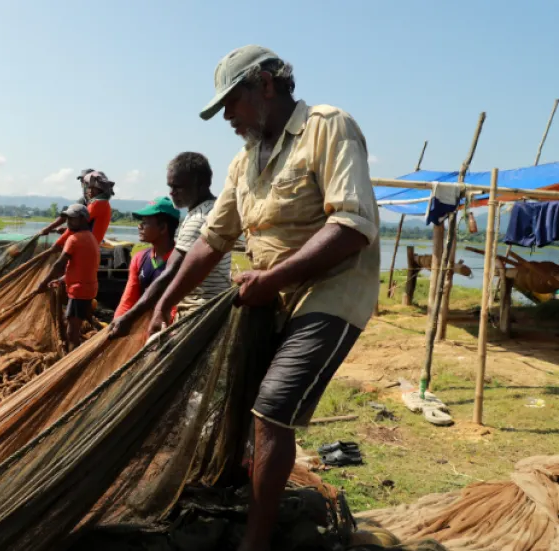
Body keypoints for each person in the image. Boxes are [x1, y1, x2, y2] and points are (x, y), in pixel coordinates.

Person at [150, 46, 380, 551]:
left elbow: (351, 225)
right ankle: (243, 497)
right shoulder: (242, 162)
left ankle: (255, 543)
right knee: (242, 398)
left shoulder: (328, 127)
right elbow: (212, 240)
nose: (227, 117)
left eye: (231, 103)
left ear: (266, 85)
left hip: (333, 288)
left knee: (273, 406)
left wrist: (273, 279)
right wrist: (166, 300)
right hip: (271, 296)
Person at [108, 152, 231, 338]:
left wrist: (132, 316)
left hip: (198, 311)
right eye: (170, 187)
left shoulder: (199, 219)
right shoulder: (210, 210)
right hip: (207, 309)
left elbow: (171, 272)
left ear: (200, 183)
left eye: (178, 187)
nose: (172, 192)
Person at [37, 204, 100, 352]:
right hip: (87, 288)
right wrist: (61, 280)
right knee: (74, 325)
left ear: (84, 219)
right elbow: (82, 268)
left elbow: (59, 264)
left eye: (73, 218)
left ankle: (72, 363)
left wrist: (43, 283)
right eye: (68, 219)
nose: (68, 222)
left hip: (79, 291)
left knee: (72, 333)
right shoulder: (91, 238)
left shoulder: (74, 239)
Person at [112, 197, 180, 319]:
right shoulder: (139, 258)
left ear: (163, 228)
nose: (139, 226)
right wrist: (117, 322)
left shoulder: (182, 261)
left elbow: (178, 307)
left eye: (145, 222)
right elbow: (128, 300)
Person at [39, 170, 114, 248]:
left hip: (88, 244)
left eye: (84, 182)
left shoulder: (97, 203)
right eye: (82, 182)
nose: (83, 185)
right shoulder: (90, 200)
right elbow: (73, 219)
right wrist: (64, 229)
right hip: (89, 241)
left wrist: (57, 242)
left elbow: (71, 219)